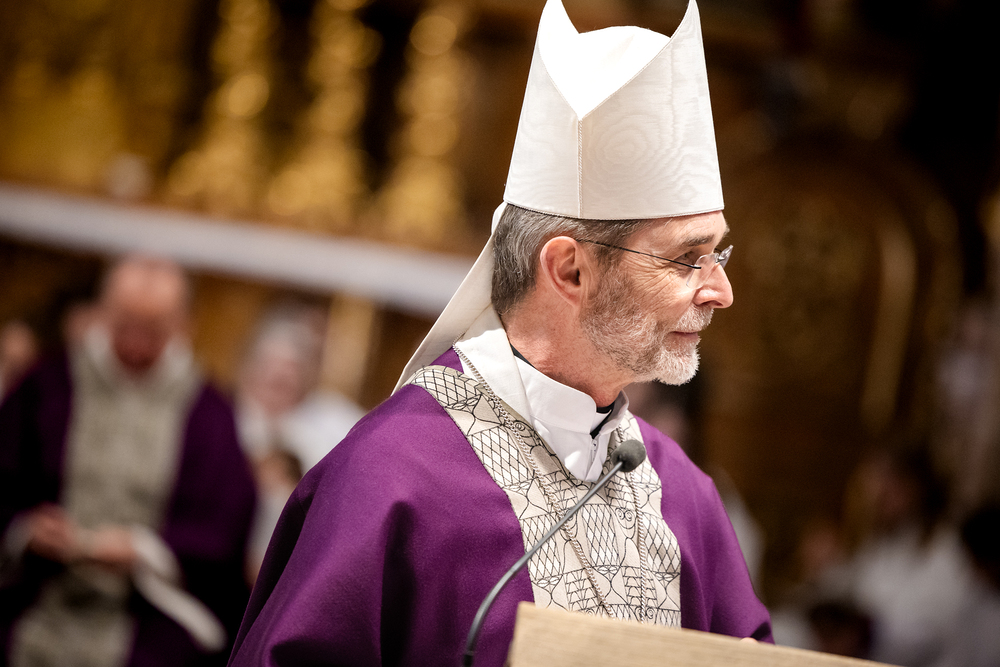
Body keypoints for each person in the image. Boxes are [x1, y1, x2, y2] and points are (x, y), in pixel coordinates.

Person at [230, 1, 772, 665]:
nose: (721, 290)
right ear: (569, 270)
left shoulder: (682, 497)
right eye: (687, 258)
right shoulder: (392, 476)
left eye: (718, 254)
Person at [0, 255, 257, 667]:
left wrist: (145, 550)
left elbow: (224, 528)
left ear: (182, 324)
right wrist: (27, 530)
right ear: (103, 312)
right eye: (125, 324)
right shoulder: (47, 384)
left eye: (152, 328)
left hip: (150, 605)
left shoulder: (209, 413)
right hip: (38, 586)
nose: (137, 340)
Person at [234, 307, 365, 579]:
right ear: (250, 369)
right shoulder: (227, 420)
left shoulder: (335, 422)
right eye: (271, 365)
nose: (281, 375)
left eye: (292, 367)